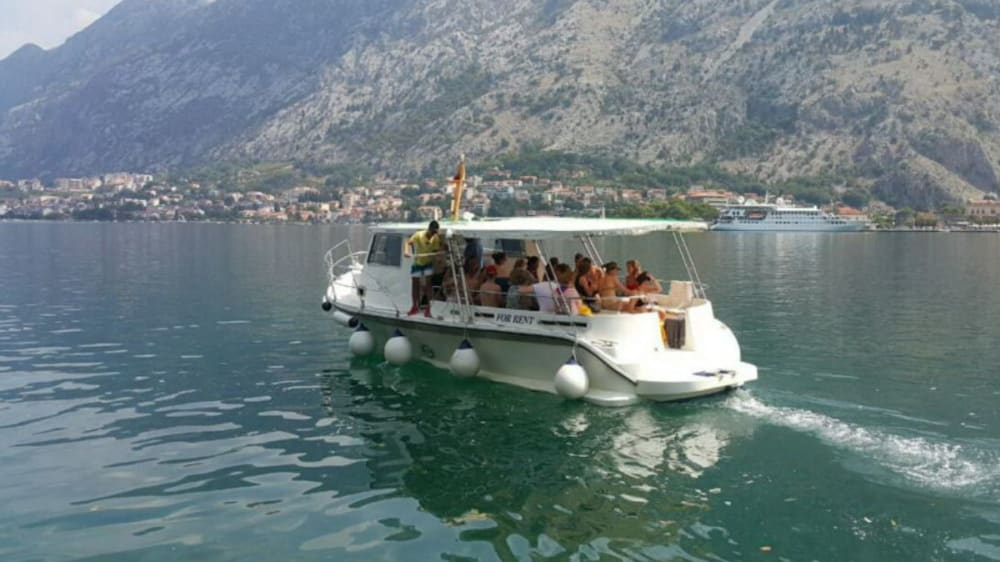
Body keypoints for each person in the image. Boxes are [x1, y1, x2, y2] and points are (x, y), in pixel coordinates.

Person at [403, 220, 442, 316]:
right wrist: (406, 252)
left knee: (428, 284)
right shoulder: (419, 235)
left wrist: (438, 257)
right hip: (418, 263)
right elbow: (408, 242)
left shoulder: (436, 238)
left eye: (435, 232)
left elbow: (436, 251)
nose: (433, 234)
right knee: (415, 284)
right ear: (429, 229)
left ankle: (430, 307)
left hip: (428, 263)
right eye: (433, 232)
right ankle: (414, 306)